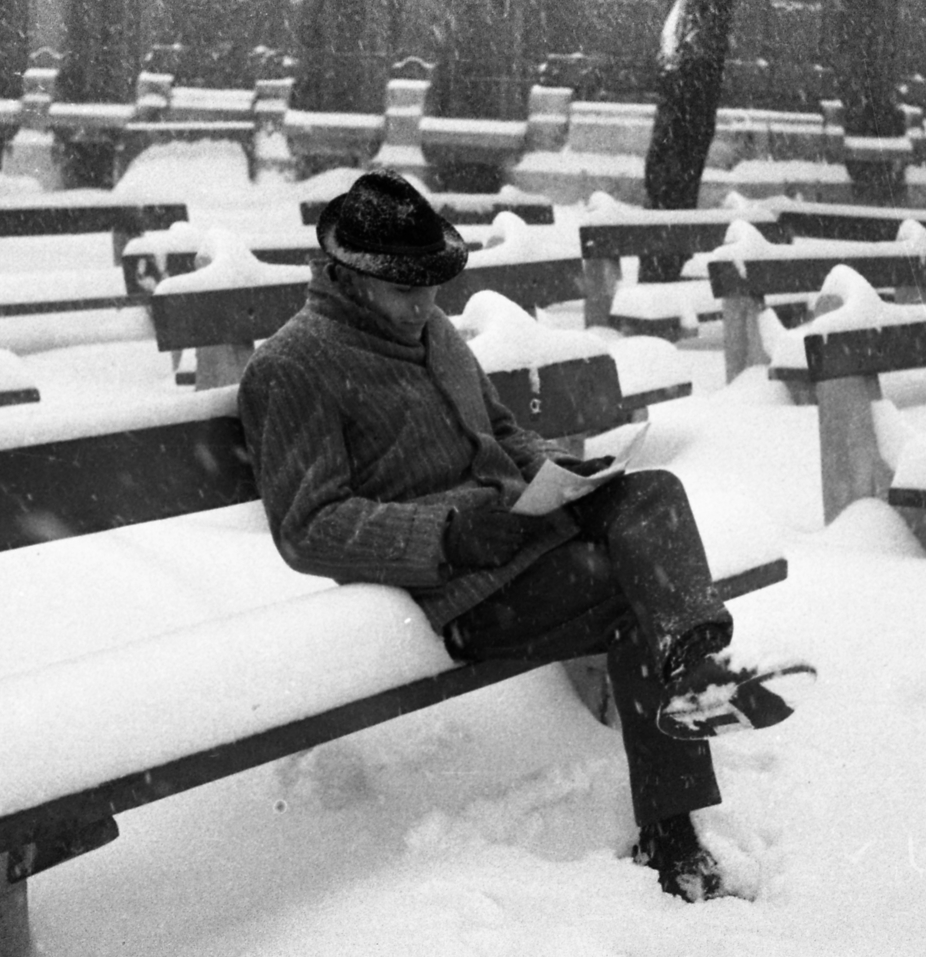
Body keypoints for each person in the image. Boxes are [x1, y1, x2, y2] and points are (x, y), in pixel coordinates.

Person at [238, 169, 813, 901]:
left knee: (654, 493)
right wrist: (445, 533)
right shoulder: (293, 366)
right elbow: (306, 526)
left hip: (526, 527)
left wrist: (565, 475)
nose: (426, 305)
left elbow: (501, 428)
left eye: (432, 288)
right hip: (468, 587)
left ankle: (691, 664)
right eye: (408, 290)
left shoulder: (431, 329)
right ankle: (672, 833)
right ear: (349, 277)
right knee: (630, 594)